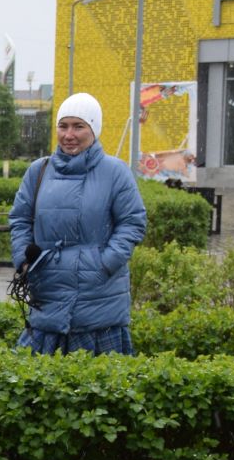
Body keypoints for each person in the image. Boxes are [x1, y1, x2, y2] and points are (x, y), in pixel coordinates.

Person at [8, 91, 148, 355]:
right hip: (47, 291)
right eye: (63, 126)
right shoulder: (38, 171)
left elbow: (132, 221)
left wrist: (104, 263)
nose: (68, 134)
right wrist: (24, 259)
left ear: (93, 129)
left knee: (99, 388)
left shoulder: (115, 172)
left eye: (78, 126)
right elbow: (20, 218)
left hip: (98, 297)